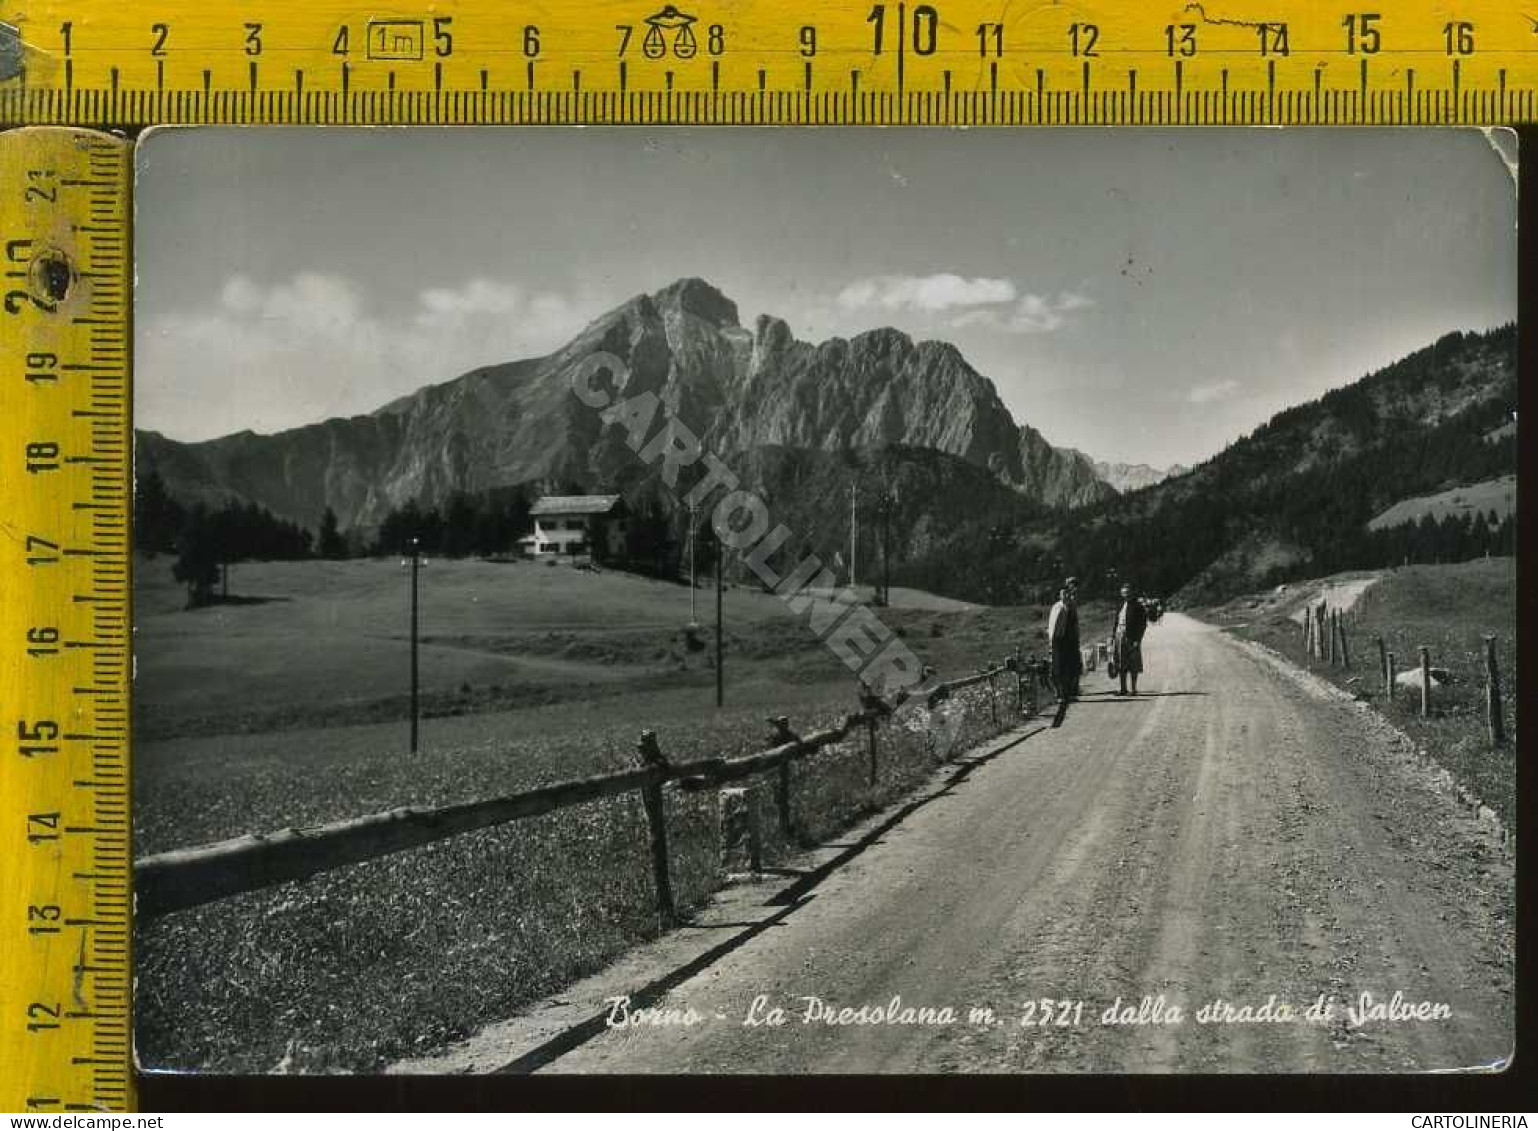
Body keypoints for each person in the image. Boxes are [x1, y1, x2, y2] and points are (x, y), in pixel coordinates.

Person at [1110, 582, 1148, 696]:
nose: (1125, 595)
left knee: (1133, 664)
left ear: (1131, 593)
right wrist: (1112, 637)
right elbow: (1116, 623)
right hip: (1119, 636)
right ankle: (1123, 689)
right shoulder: (1120, 605)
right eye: (1123, 593)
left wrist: (1138, 640)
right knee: (1121, 663)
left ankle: (1133, 689)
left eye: (1127, 593)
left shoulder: (1138, 607)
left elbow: (1142, 625)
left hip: (1131, 637)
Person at [1048, 579, 1082, 702]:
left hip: (1070, 641)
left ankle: (1069, 693)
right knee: (1059, 667)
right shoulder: (1057, 607)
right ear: (1060, 596)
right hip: (1058, 640)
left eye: (1067, 594)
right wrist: (1051, 644)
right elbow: (1052, 626)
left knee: (1070, 667)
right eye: (1063, 594)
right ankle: (1060, 694)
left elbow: (1075, 624)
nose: (1065, 596)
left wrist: (1077, 637)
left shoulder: (1071, 607)